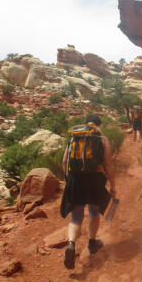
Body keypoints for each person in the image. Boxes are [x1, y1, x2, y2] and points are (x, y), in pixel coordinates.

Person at [61, 114, 116, 269]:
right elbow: (108, 165)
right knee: (93, 212)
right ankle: (92, 242)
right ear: (99, 125)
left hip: (75, 180)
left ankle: (71, 244)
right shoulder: (102, 139)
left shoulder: (74, 138)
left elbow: (64, 162)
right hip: (94, 180)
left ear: (85, 124)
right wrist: (113, 185)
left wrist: (69, 181)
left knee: (76, 216)